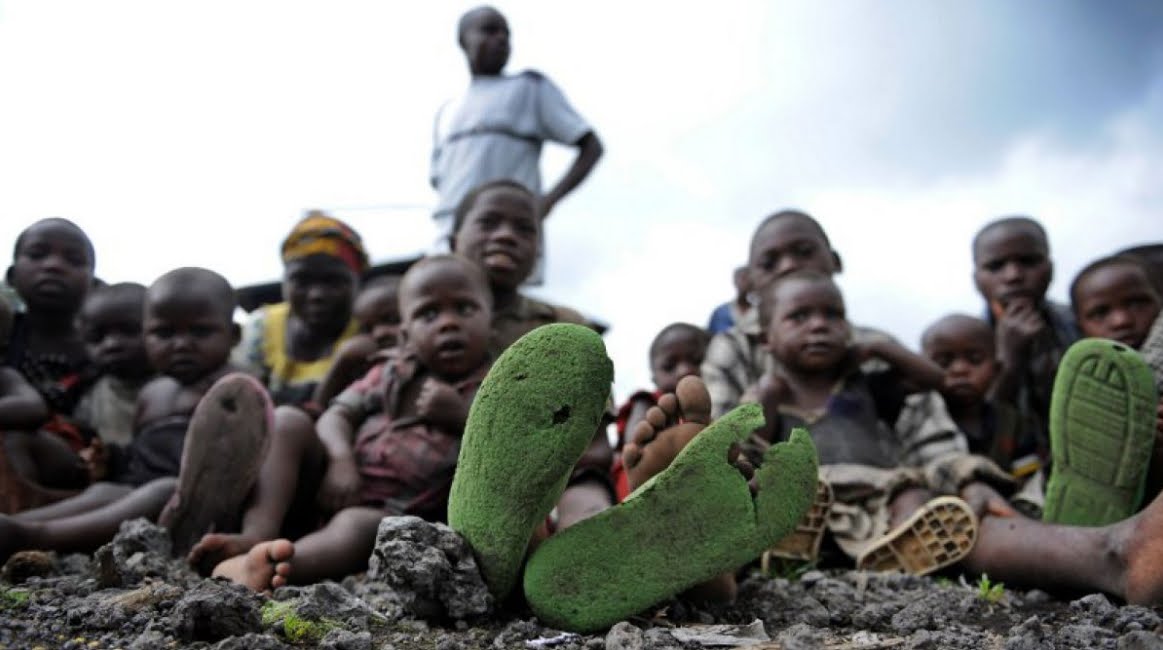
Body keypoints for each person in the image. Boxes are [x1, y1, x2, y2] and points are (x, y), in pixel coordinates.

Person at [196, 254, 494, 590]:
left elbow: (505, 457)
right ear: (406, 332)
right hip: (330, 486)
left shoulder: (495, 390)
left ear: (490, 319)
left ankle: (273, 565)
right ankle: (256, 532)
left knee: (357, 526)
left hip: (392, 513)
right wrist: (340, 460)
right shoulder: (389, 371)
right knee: (289, 420)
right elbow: (336, 415)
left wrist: (462, 416)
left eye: (465, 309)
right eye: (429, 314)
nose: (448, 323)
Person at [0, 268, 268, 561]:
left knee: (161, 491)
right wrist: (110, 459)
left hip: (200, 505)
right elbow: (140, 453)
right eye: (164, 333)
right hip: (140, 490)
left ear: (234, 335)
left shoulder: (237, 389)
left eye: (200, 332)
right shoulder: (154, 393)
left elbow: (260, 453)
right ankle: (20, 522)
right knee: (105, 491)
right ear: (146, 335)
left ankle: (33, 537)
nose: (180, 344)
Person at [430, 5, 603, 280]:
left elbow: (591, 146)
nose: (501, 39)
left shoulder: (529, 88)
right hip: (447, 236)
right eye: (489, 30)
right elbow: (439, 180)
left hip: (504, 236)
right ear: (464, 40)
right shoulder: (447, 111)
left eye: (506, 34)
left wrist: (548, 202)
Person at [701, 209, 896, 419]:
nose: (788, 266)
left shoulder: (879, 347)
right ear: (750, 281)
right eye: (768, 263)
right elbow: (721, 439)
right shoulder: (733, 348)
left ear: (835, 261)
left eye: (804, 252)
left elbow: (929, 441)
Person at [1, 218, 98, 503]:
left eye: (74, 259)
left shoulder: (108, 349)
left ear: (93, 283)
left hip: (77, 466)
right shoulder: (4, 340)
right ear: (11, 275)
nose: (54, 265)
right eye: (38, 254)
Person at [912, 314, 1045, 514]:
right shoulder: (918, 419)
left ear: (996, 368)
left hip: (1007, 514)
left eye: (974, 360)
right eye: (944, 362)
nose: (959, 370)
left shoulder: (1012, 421)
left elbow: (1028, 477)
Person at [234, 212, 366, 408]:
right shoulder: (261, 327)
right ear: (284, 280)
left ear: (357, 282)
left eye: (333, 281)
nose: (316, 295)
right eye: (302, 280)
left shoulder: (369, 326)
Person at [971, 216, 1079, 437]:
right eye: (995, 266)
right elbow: (978, 436)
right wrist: (1009, 362)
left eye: (1028, 262)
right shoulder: (961, 343)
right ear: (976, 278)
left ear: (1050, 268)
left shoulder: (1083, 324)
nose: (1013, 276)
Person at [72, 283, 154, 480]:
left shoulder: (180, 388)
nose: (112, 344)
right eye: (97, 337)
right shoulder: (91, 397)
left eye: (129, 331)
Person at [312, 275, 402, 408]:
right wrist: (342, 361)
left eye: (392, 320)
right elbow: (319, 407)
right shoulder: (370, 370)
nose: (378, 334)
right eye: (367, 329)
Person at [707, 266, 750, 335]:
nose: (744, 283)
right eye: (742, 278)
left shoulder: (759, 311)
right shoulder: (721, 312)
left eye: (748, 279)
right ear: (734, 281)